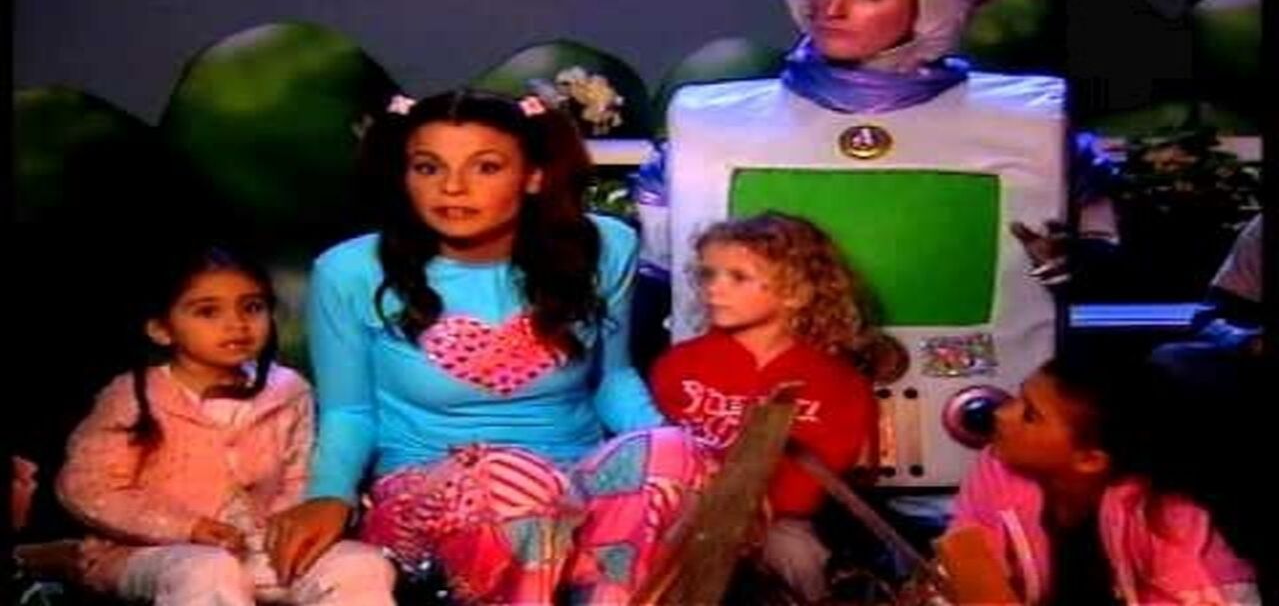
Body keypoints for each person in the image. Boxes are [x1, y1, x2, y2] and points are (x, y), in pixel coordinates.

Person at [636, 0, 1119, 494]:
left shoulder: (1032, 130)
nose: (833, 8)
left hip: (985, 464)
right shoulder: (709, 128)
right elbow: (656, 287)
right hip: (754, 465)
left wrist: (1079, 261)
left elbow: (1103, 261)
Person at [266, 89, 711, 605]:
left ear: (533, 176)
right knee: (515, 481)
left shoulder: (604, 248)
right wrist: (329, 494)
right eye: (428, 168)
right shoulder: (351, 270)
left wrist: (680, 456)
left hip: (577, 482)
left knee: (677, 448)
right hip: (429, 495)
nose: (452, 187)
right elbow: (349, 411)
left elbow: (612, 380)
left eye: (486, 167)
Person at [55, 245, 395, 605]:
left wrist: (287, 533)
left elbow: (300, 476)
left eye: (252, 308)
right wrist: (188, 528)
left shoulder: (288, 390)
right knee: (209, 571)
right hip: (154, 551)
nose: (237, 324)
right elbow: (88, 488)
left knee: (361, 565)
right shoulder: (135, 396)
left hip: (259, 549)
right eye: (208, 311)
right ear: (161, 329)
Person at [650, 212, 877, 601]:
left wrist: (753, 513)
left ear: (796, 293)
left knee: (799, 557)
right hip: (686, 515)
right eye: (708, 274)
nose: (714, 288)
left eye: (737, 277)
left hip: (777, 521)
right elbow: (658, 457)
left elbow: (818, 480)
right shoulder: (678, 366)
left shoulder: (838, 384)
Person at [946, 349, 1260, 604]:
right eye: (1018, 397)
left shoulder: (1171, 525)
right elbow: (972, 577)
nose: (1001, 413)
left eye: (1030, 415)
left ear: (1090, 459)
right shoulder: (997, 470)